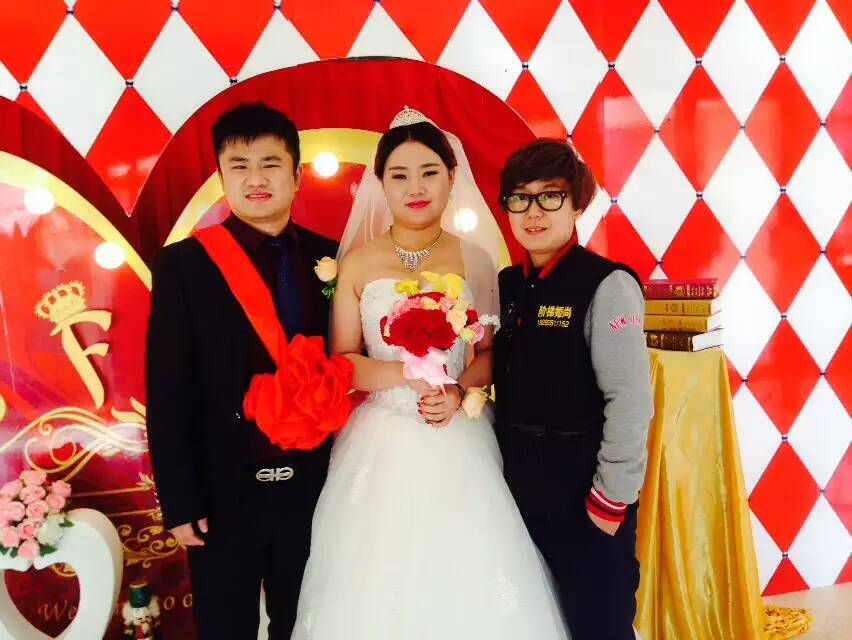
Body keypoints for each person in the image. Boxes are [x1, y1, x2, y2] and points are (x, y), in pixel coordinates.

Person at [291, 107, 568, 640]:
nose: (415, 187)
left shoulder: (477, 260)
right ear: (380, 184)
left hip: (458, 433)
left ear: (451, 177)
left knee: (467, 568)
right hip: (379, 441)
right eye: (399, 175)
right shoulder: (358, 263)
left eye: (429, 173)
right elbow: (345, 360)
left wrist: (459, 389)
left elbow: (487, 352)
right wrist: (404, 372)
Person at [145, 102, 343, 639]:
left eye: (271, 164)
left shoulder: (334, 258)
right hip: (221, 492)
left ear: (296, 175)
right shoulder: (184, 264)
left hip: (314, 487)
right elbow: (167, 390)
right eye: (240, 165)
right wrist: (180, 500)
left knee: (306, 625)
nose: (256, 179)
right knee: (224, 626)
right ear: (221, 177)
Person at [493, 138, 654, 640]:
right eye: (520, 198)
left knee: (597, 625)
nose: (533, 212)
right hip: (518, 492)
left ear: (577, 204)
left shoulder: (607, 285)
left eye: (550, 196)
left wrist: (609, 501)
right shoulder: (508, 284)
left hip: (584, 497)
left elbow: (630, 401)